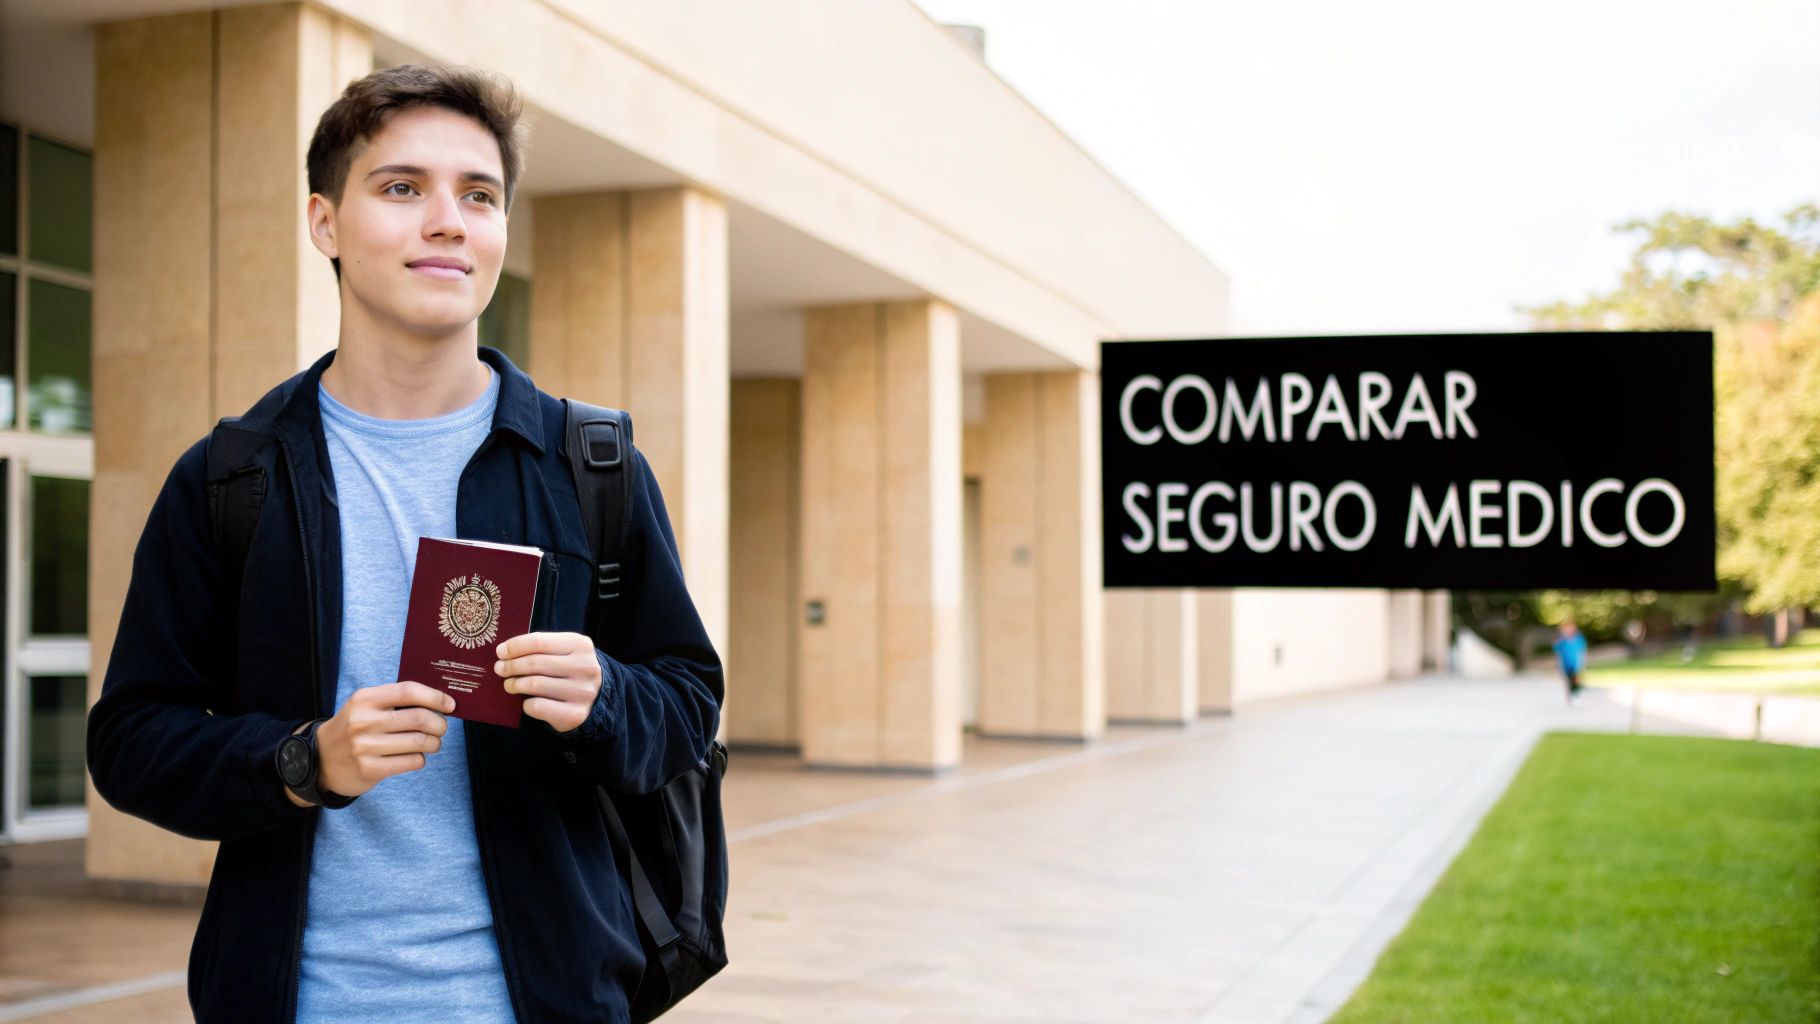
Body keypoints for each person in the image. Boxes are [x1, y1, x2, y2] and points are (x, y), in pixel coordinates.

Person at [85, 64, 723, 1023]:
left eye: (479, 195)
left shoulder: (592, 467)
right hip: (299, 1001)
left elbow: (686, 702)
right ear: (324, 222)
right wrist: (306, 762)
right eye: (400, 188)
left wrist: (606, 695)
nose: (448, 221)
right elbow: (130, 741)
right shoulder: (230, 479)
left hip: (551, 1000)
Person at [1553, 619, 1589, 705]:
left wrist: (1583, 662)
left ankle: (1576, 693)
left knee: (1576, 678)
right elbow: (1557, 651)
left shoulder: (1578, 639)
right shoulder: (1562, 640)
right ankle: (1570, 694)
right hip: (1566, 663)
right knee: (1568, 680)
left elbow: (1582, 650)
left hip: (1576, 663)